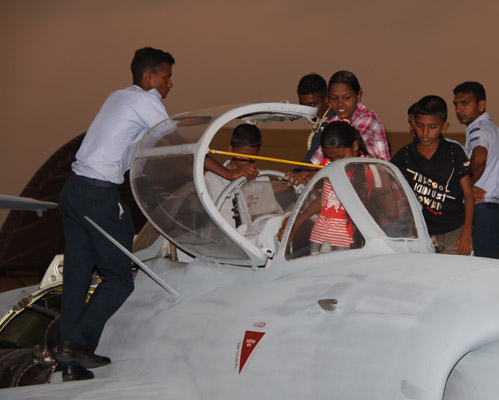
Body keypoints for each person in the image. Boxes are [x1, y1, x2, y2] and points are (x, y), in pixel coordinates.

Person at [56, 47, 256, 382]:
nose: (170, 84)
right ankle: (76, 343)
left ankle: (69, 365)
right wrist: (228, 172)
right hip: (98, 196)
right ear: (149, 77)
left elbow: (147, 149)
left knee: (76, 280)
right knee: (120, 279)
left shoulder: (118, 97)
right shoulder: (146, 100)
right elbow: (178, 147)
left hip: (73, 191)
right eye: (166, 76)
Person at [391, 95, 474, 255]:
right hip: (421, 232)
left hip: (454, 231)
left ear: (444, 127)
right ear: (413, 124)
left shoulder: (453, 152)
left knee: (455, 270)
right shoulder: (405, 155)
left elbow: (469, 194)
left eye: (432, 127)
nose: (425, 133)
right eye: (419, 126)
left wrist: (467, 232)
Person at [453, 81, 499, 259]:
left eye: (464, 103)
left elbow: (479, 159)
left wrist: (465, 187)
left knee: (473, 270)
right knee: (488, 269)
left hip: (479, 211)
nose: (459, 109)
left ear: (481, 105)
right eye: (456, 104)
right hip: (495, 214)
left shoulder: (478, 129)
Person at [310, 71, 390, 164]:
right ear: (328, 100)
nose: (340, 104)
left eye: (347, 98)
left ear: (359, 96)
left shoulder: (368, 119)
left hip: (378, 171)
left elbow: (342, 147)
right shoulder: (333, 122)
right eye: (334, 98)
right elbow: (316, 162)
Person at [205, 123, 264, 227]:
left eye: (253, 156)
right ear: (230, 150)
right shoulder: (211, 178)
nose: (247, 160)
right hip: (218, 235)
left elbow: (262, 219)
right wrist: (229, 174)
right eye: (242, 155)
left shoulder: (262, 178)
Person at [285, 74, 336, 186]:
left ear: (326, 100)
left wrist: (281, 186)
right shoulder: (320, 122)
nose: (307, 112)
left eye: (312, 105)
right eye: (303, 106)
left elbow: (309, 167)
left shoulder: (330, 127)